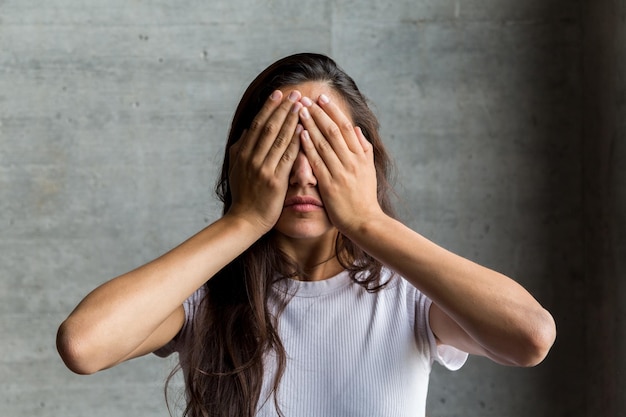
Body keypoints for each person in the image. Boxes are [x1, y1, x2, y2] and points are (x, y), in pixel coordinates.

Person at [56, 53, 556, 417]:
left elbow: (530, 337)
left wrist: (368, 222)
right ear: (245, 160)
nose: (303, 175)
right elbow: (83, 345)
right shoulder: (203, 296)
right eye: (281, 147)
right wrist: (243, 220)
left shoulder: (408, 294)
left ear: (364, 159)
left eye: (323, 148)